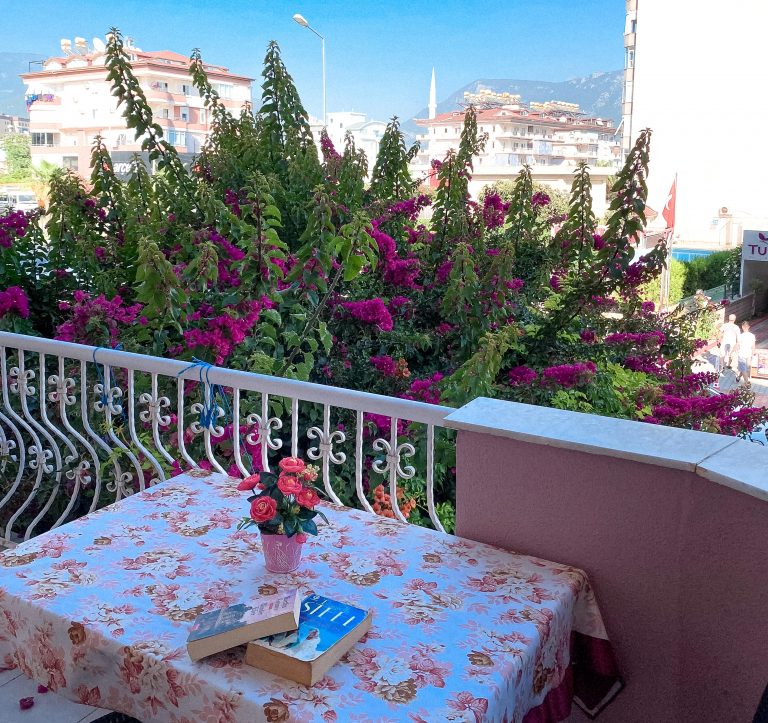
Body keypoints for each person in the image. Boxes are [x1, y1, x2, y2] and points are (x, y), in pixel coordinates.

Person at [736, 320, 756, 386]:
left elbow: (737, 345)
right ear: (749, 327)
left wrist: (733, 352)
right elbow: (753, 346)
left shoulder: (740, 336)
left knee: (744, 369)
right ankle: (747, 383)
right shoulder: (752, 336)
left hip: (742, 354)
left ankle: (738, 377)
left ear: (742, 327)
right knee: (745, 369)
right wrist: (753, 354)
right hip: (749, 354)